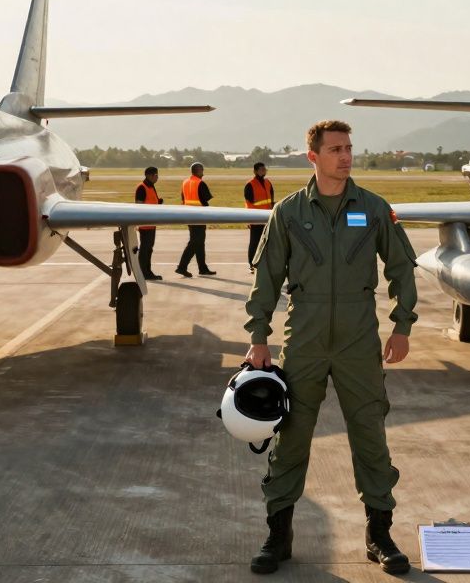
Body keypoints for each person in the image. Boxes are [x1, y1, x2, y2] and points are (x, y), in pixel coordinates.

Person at [242, 120, 417, 575]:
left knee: (370, 437)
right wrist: (258, 337)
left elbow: (401, 268)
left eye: (349, 148)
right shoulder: (288, 212)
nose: (345, 156)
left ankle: (379, 535)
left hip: (360, 340)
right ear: (313, 157)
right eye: (335, 149)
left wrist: (402, 326)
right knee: (291, 437)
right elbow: (267, 278)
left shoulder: (375, 209)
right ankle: (278, 535)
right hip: (305, 339)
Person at [176, 162, 216, 277]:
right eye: (202, 170)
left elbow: (183, 199)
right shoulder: (200, 183)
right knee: (195, 242)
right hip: (199, 215)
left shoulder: (185, 182)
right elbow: (206, 200)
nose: (203, 172)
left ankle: (202, 268)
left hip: (189, 215)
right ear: (198, 171)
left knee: (199, 242)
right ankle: (181, 267)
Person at [243, 161, 275, 272]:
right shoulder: (250, 185)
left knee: (267, 242)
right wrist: (249, 219)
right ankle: (251, 263)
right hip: (255, 218)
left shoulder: (268, 183)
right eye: (261, 169)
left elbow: (271, 200)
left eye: (264, 169)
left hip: (266, 218)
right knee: (254, 242)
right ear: (255, 171)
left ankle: (264, 263)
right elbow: (248, 202)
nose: (263, 171)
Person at [134, 166, 163, 280]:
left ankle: (147, 271)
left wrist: (158, 202)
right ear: (149, 176)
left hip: (151, 223)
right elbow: (139, 205)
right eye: (155, 175)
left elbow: (150, 201)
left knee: (149, 249)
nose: (157, 177)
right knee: (145, 249)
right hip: (145, 224)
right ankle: (143, 272)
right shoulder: (142, 187)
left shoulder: (151, 186)